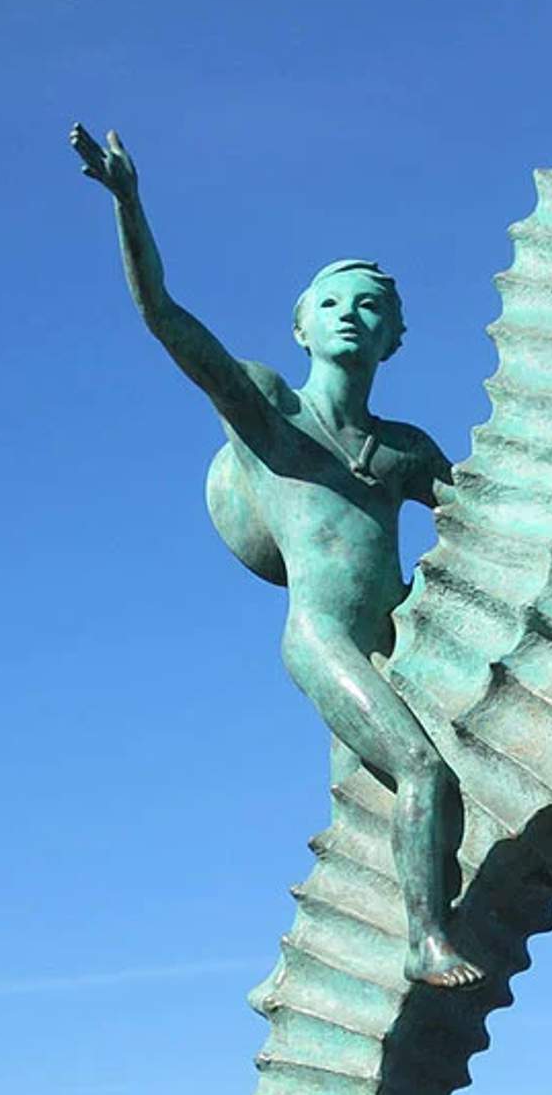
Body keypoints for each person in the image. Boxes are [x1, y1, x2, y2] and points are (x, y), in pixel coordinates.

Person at [69, 123, 482, 989]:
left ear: (393, 338)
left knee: (372, 828)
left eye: (370, 306)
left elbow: (487, 526)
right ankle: (424, 944)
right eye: (332, 302)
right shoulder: (267, 412)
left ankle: (308, 976)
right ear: (301, 327)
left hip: (396, 639)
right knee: (417, 771)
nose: (351, 314)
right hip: (323, 631)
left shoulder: (406, 449)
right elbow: (165, 319)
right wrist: (129, 205)